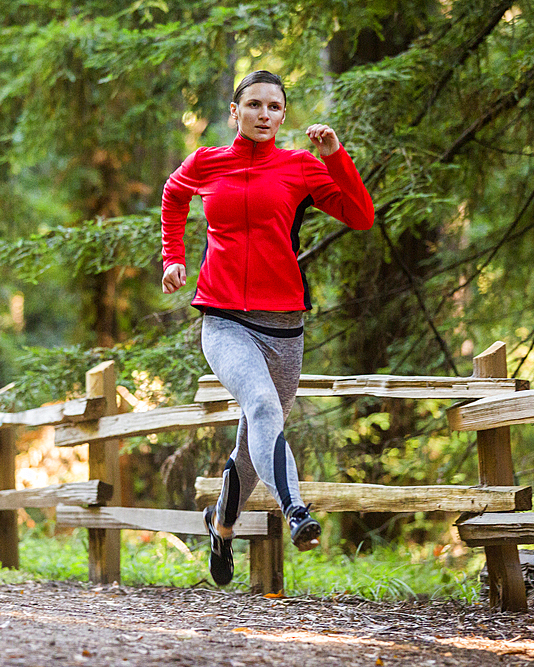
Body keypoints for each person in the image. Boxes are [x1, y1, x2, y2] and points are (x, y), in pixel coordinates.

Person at [160, 70, 374, 586]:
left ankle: (222, 526)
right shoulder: (208, 162)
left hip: (284, 325)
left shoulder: (300, 167)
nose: (263, 114)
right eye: (253, 105)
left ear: (282, 116)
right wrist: (173, 257)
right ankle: (296, 511)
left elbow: (361, 216)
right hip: (224, 317)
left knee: (254, 440)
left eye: (274, 107)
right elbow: (173, 193)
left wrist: (335, 157)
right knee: (261, 408)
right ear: (235, 112)